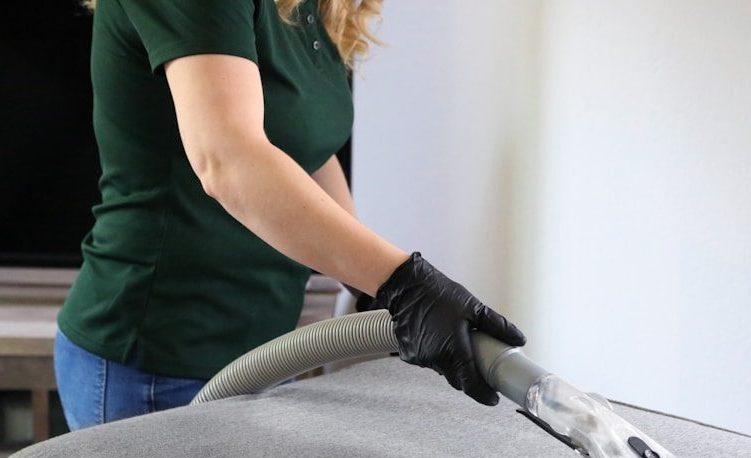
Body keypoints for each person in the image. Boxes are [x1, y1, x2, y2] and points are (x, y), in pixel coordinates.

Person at [54, 0, 526, 431]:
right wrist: (406, 285)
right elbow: (227, 159)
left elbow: (306, 151)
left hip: (262, 351)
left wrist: (372, 289)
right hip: (155, 362)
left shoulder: (311, 6)